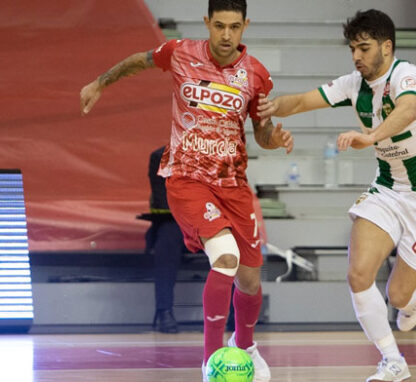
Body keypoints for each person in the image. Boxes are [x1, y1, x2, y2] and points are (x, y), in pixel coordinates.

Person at [80, 1, 294, 380]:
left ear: (245, 25)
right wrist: (99, 82)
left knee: (249, 277)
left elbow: (262, 132)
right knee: (224, 257)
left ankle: (245, 346)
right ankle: (211, 359)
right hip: (187, 179)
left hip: (234, 184)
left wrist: (274, 138)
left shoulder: (256, 75)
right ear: (207, 23)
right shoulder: (179, 53)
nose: (226, 35)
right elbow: (138, 61)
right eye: (219, 26)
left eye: (234, 27)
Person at [258, 9, 416, 381]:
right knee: (357, 274)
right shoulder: (354, 84)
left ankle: (413, 290)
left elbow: (407, 110)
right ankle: (393, 361)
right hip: (389, 188)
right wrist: (270, 106)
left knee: (398, 297)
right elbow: (304, 101)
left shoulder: (407, 75)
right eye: (353, 48)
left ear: (386, 47)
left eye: (364, 48)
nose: (356, 56)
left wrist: (371, 136)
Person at [144, 146, 186, 334]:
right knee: (167, 241)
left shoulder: (215, 154)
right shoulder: (160, 156)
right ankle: (164, 311)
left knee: (234, 242)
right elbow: (163, 202)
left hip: (207, 219)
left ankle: (237, 316)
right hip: (175, 221)